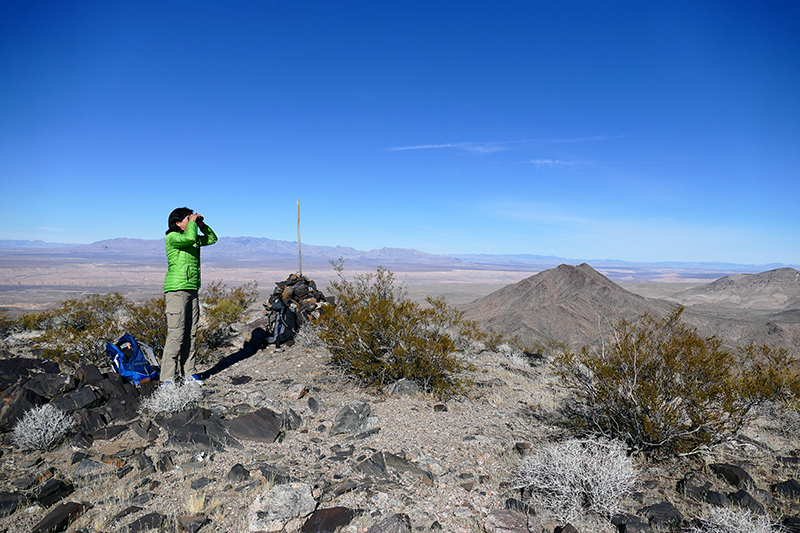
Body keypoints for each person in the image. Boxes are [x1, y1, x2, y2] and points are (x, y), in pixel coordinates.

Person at [161, 207, 218, 385]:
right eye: (187, 218)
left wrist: (202, 224)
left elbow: (212, 239)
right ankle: (167, 380)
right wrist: (193, 224)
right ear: (177, 223)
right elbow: (190, 238)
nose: (190, 220)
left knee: (190, 333)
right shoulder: (173, 237)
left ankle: (189, 374)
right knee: (176, 334)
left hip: (192, 288)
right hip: (177, 289)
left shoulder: (191, 238)